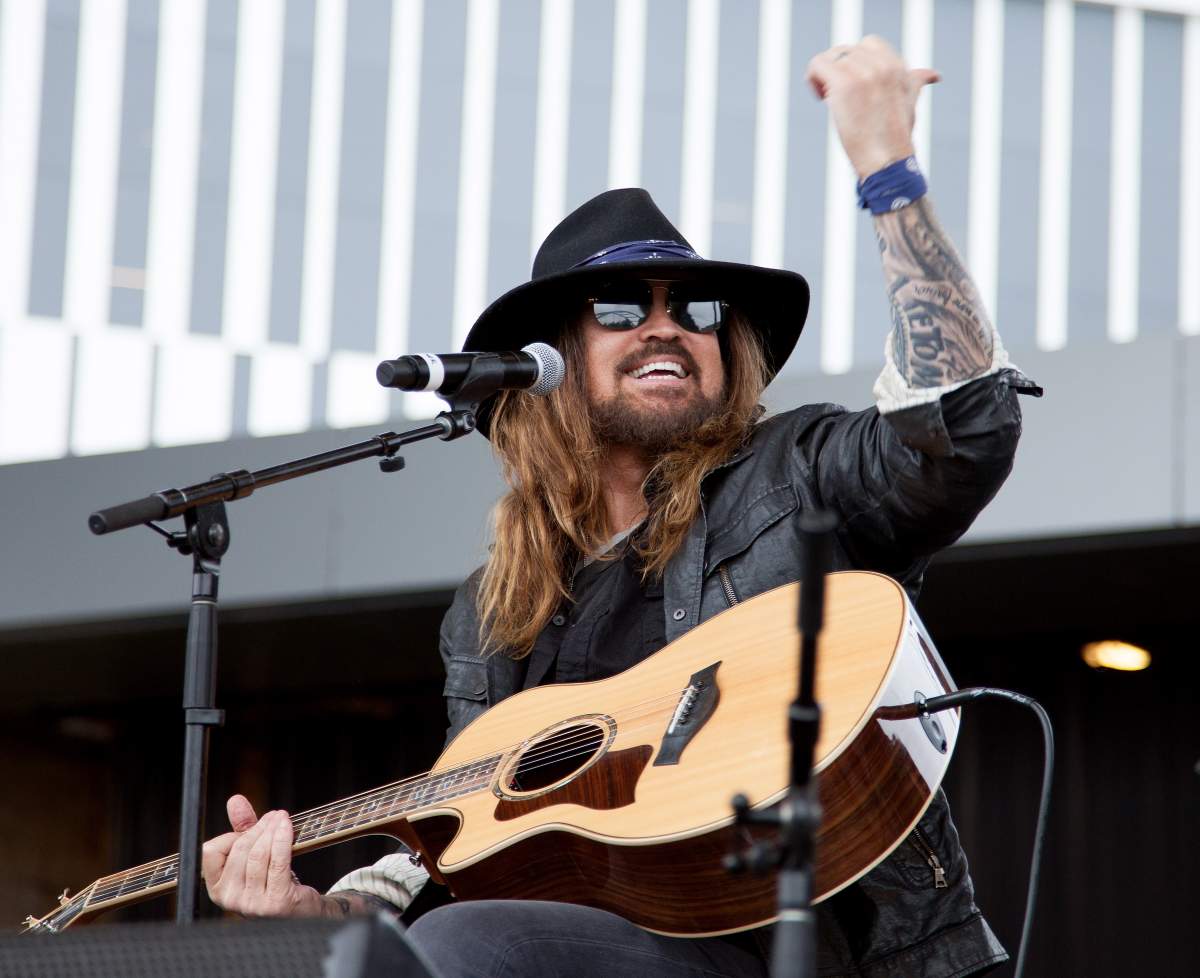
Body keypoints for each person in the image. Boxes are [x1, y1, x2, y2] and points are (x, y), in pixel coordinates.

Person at [202, 36, 1039, 978]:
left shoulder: (797, 474)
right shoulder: (489, 614)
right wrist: (323, 917)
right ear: (549, 362)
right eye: (618, 306)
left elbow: (964, 430)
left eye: (695, 308)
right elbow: (468, 848)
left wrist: (888, 172)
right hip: (584, 947)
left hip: (804, 948)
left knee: (468, 946)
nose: (665, 325)